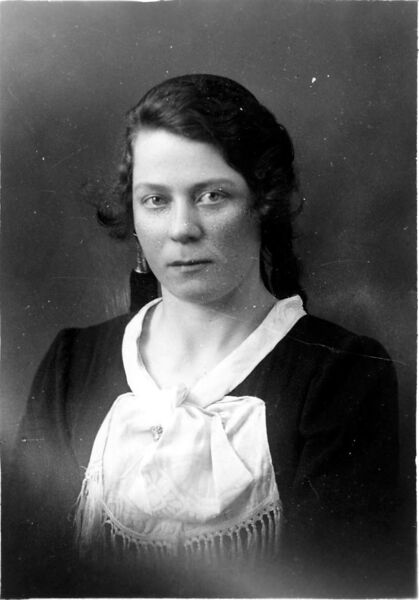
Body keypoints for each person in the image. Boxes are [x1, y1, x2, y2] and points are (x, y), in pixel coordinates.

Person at [3, 74, 398, 598]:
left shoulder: (342, 372)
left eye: (212, 196)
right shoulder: (71, 363)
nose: (181, 228)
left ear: (263, 203)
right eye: (155, 200)